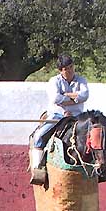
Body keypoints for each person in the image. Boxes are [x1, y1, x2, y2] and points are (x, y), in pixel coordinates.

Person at [30, 54, 89, 184]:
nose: (70, 70)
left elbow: (84, 95)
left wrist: (65, 96)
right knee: (39, 136)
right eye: (66, 69)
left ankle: (98, 168)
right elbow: (55, 98)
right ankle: (37, 170)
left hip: (77, 116)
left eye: (71, 67)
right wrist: (75, 98)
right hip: (57, 115)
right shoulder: (54, 81)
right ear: (60, 70)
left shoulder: (81, 80)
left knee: (94, 135)